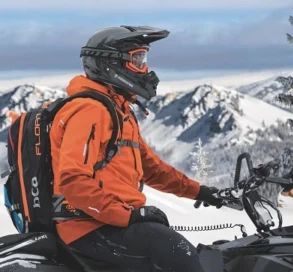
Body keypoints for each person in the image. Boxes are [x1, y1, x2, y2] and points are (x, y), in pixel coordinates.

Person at [49, 26, 223, 272]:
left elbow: (152, 170)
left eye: (144, 59)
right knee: (175, 252)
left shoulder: (119, 111)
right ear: (110, 63)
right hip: (87, 225)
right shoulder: (90, 110)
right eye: (137, 59)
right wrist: (129, 216)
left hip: (114, 221)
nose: (145, 69)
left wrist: (200, 192)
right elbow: (72, 179)